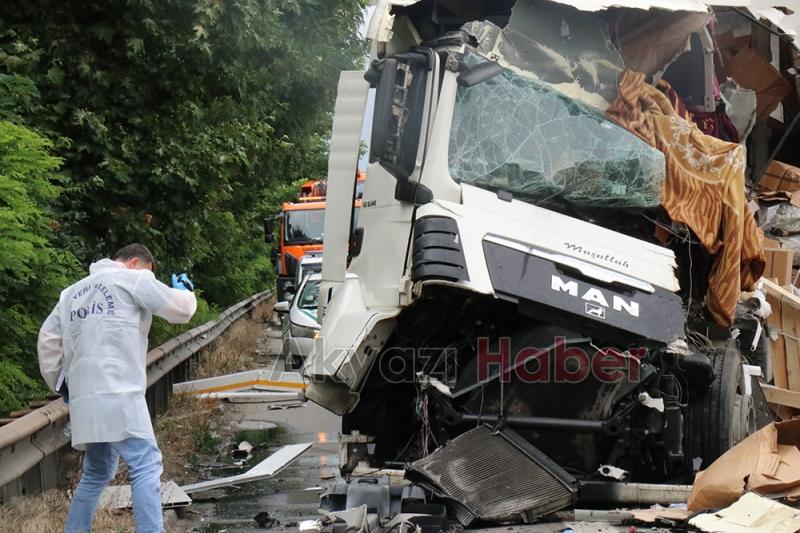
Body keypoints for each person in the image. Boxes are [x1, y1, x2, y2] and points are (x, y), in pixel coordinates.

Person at [37, 244, 197, 533]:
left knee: (96, 472)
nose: (150, 278)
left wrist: (61, 383)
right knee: (146, 465)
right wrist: (185, 292)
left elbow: (47, 340)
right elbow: (180, 311)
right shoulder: (133, 278)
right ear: (135, 262)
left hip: (85, 398)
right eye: (149, 272)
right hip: (120, 391)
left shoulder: (71, 293)